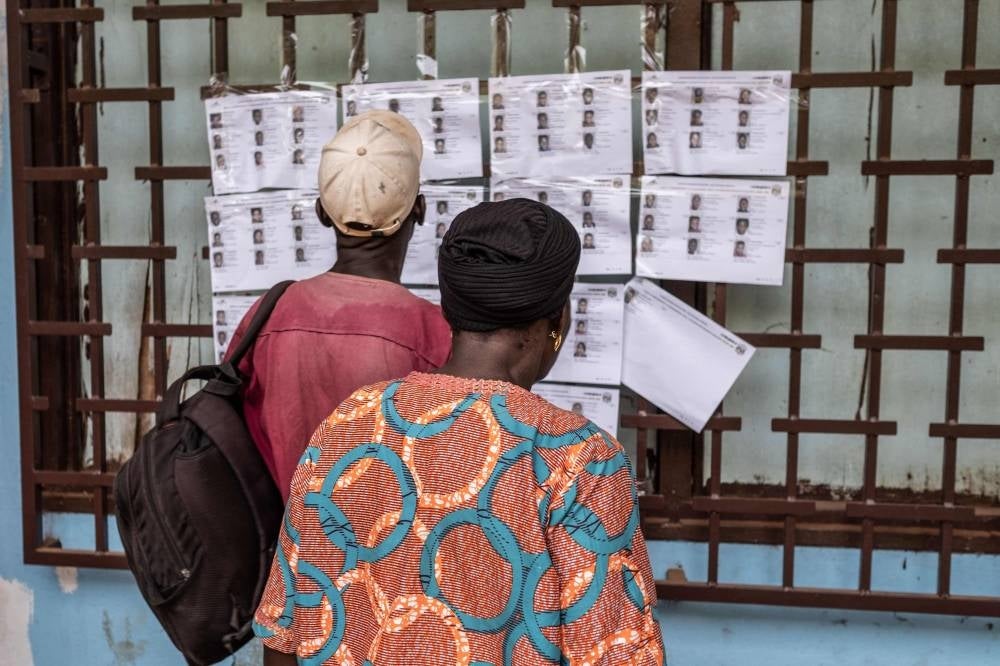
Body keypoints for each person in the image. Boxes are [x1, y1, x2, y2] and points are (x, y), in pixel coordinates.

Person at [253, 199, 663, 666]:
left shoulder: (348, 423)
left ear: (449, 310)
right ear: (557, 323)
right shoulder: (576, 458)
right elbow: (617, 652)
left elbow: (282, 634)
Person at [226, 111, 452, 500]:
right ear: (420, 209)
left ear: (320, 211)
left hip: (287, 553)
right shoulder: (434, 333)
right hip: (395, 558)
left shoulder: (269, 314)